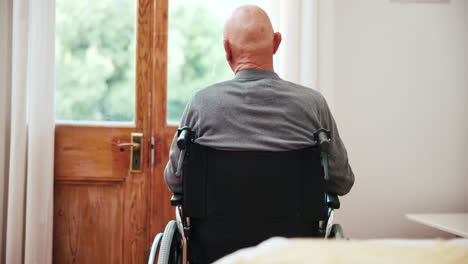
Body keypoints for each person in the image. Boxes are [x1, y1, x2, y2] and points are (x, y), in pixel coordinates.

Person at [164, 5, 354, 196]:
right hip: (294, 226)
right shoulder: (314, 105)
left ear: (227, 49)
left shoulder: (200, 104)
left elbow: (175, 181)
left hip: (217, 226)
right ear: (276, 43)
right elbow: (341, 182)